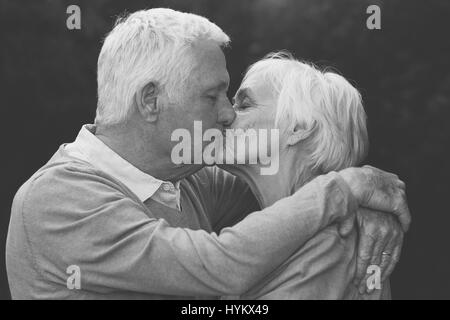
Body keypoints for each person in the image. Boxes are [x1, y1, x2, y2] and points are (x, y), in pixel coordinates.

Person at [6, 8, 409, 299]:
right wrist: (346, 189)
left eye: (237, 99)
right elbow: (219, 267)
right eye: (212, 95)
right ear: (150, 101)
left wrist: (369, 202)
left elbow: (300, 182)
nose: (227, 113)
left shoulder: (187, 177)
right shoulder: (59, 198)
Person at [221, 52, 395, 299]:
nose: (226, 114)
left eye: (244, 105)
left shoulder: (329, 247)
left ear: (297, 129)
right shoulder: (296, 230)